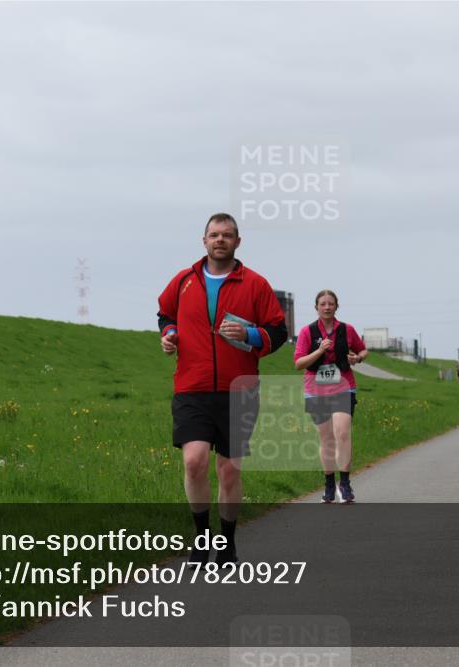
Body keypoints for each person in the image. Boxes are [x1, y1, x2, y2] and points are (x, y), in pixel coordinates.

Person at [157, 213, 287, 566]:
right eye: (214, 235)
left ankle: (227, 543)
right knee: (194, 461)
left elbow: (278, 332)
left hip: (238, 390)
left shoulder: (255, 284)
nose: (220, 240)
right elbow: (165, 314)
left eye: (227, 235)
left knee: (229, 470)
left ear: (237, 242)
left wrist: (249, 335)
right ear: (204, 241)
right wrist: (168, 335)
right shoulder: (184, 281)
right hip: (192, 387)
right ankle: (201, 540)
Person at [294, 290, 367, 504]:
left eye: (331, 303)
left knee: (342, 433)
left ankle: (344, 484)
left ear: (337, 306)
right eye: (323, 304)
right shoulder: (307, 332)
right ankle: (328, 483)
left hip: (343, 386)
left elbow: (363, 351)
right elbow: (298, 363)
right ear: (316, 307)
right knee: (326, 439)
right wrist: (319, 351)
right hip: (316, 390)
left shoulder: (347, 329)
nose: (327, 307)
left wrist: (357, 358)